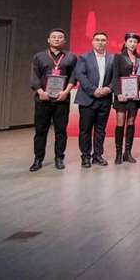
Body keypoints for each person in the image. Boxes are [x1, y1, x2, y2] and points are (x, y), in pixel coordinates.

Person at [29, 28, 78, 172]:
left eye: (60, 37)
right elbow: (34, 76)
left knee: (61, 131)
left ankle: (59, 158)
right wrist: (40, 92)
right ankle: (38, 159)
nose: (57, 39)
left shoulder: (71, 57)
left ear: (64, 40)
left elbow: (73, 76)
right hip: (43, 99)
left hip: (62, 99)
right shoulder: (39, 57)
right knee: (40, 131)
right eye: (54, 37)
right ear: (48, 40)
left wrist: (66, 92)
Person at [74, 31, 114, 168]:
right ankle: (85, 156)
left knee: (100, 130)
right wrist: (93, 90)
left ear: (106, 42)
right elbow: (80, 75)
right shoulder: (84, 58)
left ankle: (97, 155)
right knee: (85, 130)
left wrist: (108, 89)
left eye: (103, 40)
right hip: (87, 99)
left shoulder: (112, 58)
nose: (100, 42)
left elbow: (115, 77)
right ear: (92, 42)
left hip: (105, 99)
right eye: (97, 39)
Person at [110, 32, 140, 164]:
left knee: (131, 123)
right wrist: (118, 93)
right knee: (120, 123)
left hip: (134, 97)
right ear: (125, 42)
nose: (132, 44)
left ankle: (127, 153)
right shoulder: (118, 57)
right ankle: (118, 153)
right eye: (130, 41)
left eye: (135, 42)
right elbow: (115, 76)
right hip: (122, 96)